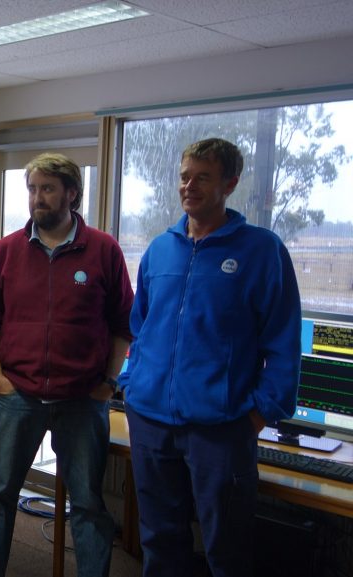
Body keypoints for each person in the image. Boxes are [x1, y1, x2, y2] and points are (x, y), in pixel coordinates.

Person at [120, 138, 302, 577]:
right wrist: (131, 384)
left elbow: (282, 341)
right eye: (185, 176)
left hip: (220, 430)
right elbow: (140, 327)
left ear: (230, 184)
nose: (189, 186)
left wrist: (259, 415)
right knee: (159, 543)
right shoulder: (160, 249)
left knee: (227, 549)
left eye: (203, 177)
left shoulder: (261, 250)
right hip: (151, 421)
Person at [0, 152, 134, 577]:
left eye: (47, 189)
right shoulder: (6, 252)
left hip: (83, 399)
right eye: (32, 189)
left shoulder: (103, 251)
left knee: (87, 504)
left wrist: (110, 381)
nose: (37, 198)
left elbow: (123, 324)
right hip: (17, 396)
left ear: (71, 193)